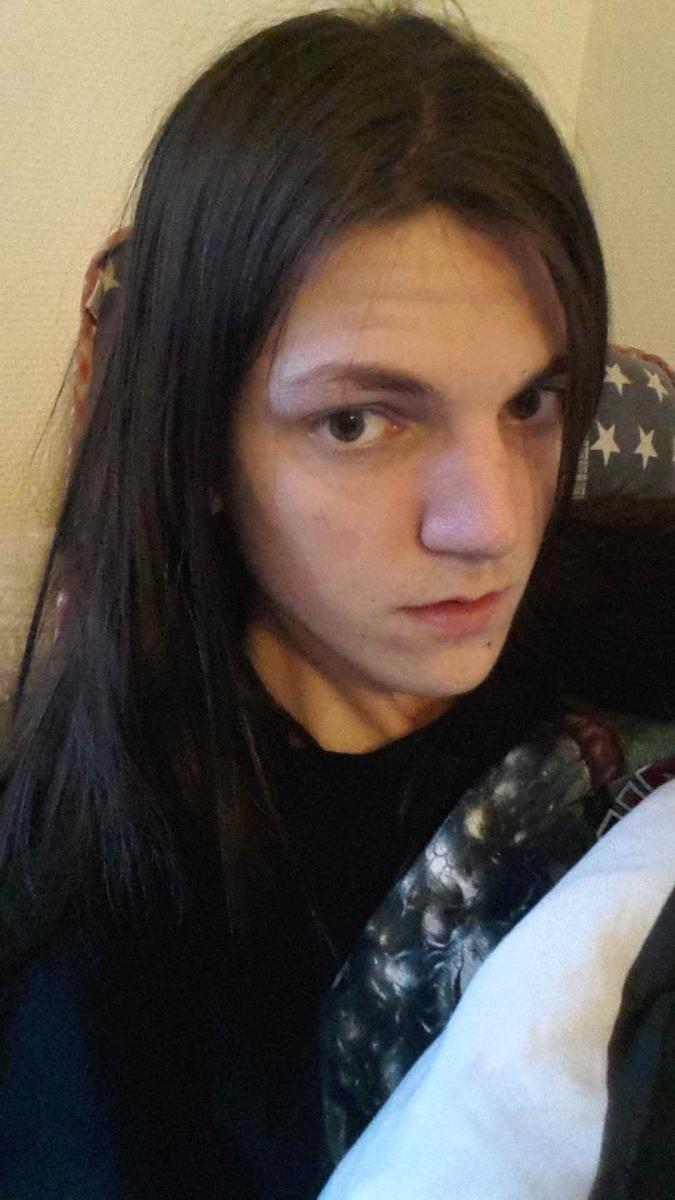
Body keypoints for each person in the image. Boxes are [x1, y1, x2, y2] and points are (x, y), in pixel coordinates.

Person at [1, 5, 674, 1199]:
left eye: (531, 403)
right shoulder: (96, 948)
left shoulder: (621, 602)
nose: (493, 524)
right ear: (200, 445)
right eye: (359, 421)